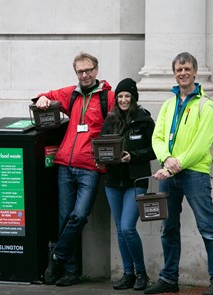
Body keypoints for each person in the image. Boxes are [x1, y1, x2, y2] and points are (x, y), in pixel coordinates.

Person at [145, 52, 213, 295]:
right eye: (179, 69)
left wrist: (174, 164)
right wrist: (166, 159)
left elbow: (201, 144)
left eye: (187, 69)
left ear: (195, 72)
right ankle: (169, 278)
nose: (183, 73)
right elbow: (157, 137)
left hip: (195, 174)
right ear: (175, 73)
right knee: (168, 228)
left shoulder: (207, 106)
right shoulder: (168, 104)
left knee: (208, 227)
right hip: (169, 172)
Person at [33, 52, 115, 287]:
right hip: (64, 166)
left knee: (79, 216)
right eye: (80, 71)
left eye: (88, 70)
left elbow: (123, 115)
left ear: (96, 71)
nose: (85, 74)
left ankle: (57, 256)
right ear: (76, 73)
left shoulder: (106, 97)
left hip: (90, 167)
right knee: (64, 218)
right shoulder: (71, 94)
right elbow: (45, 95)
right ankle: (70, 271)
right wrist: (42, 100)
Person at [97, 78, 156, 291]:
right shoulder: (110, 120)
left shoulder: (145, 121)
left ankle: (141, 273)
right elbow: (102, 147)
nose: (123, 100)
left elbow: (154, 150)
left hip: (135, 181)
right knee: (120, 231)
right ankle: (128, 274)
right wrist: (101, 158)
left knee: (127, 228)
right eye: (120, 96)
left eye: (127, 96)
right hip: (113, 181)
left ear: (133, 98)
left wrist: (133, 156)